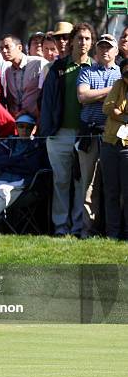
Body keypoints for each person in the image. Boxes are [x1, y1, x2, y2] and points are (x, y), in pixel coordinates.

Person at [40, 22, 95, 237]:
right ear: (72, 41)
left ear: (91, 43)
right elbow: (46, 102)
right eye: (79, 38)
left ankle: (79, 226)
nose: (83, 42)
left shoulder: (96, 67)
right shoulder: (58, 67)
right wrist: (47, 132)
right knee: (61, 180)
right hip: (59, 132)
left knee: (82, 183)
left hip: (86, 133)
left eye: (87, 38)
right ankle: (60, 227)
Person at [0, 114, 47, 234]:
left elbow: (31, 167)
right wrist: (19, 159)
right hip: (2, 177)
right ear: (17, 127)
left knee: (3, 189)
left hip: (23, 182)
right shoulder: (10, 142)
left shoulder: (38, 145)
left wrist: (9, 162)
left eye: (28, 127)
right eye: (21, 126)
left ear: (34, 129)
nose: (24, 130)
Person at [76, 35, 120, 238]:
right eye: (102, 47)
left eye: (109, 48)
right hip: (91, 133)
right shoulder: (86, 72)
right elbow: (83, 96)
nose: (105, 51)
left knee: (115, 185)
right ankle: (89, 231)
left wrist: (98, 94)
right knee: (89, 186)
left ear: (116, 51)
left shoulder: (122, 73)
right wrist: (113, 90)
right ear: (97, 50)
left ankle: (114, 229)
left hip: (116, 136)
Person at [101, 58, 128, 239]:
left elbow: (114, 110)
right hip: (110, 143)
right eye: (125, 72)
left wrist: (118, 112)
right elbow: (107, 107)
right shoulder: (118, 84)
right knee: (111, 191)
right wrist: (125, 118)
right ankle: (112, 233)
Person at [0, 34, 48, 118]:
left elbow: (48, 93)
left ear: (20, 48)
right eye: (1, 48)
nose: (4, 51)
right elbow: (11, 100)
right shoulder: (8, 71)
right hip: (19, 121)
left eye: (7, 47)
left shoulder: (39, 63)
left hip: (39, 118)